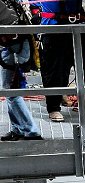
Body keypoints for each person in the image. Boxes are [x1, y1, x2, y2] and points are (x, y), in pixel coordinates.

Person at [0, 0, 42, 141]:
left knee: (10, 90)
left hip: (13, 45)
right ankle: (17, 128)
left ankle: (31, 130)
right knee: (11, 89)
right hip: (11, 44)